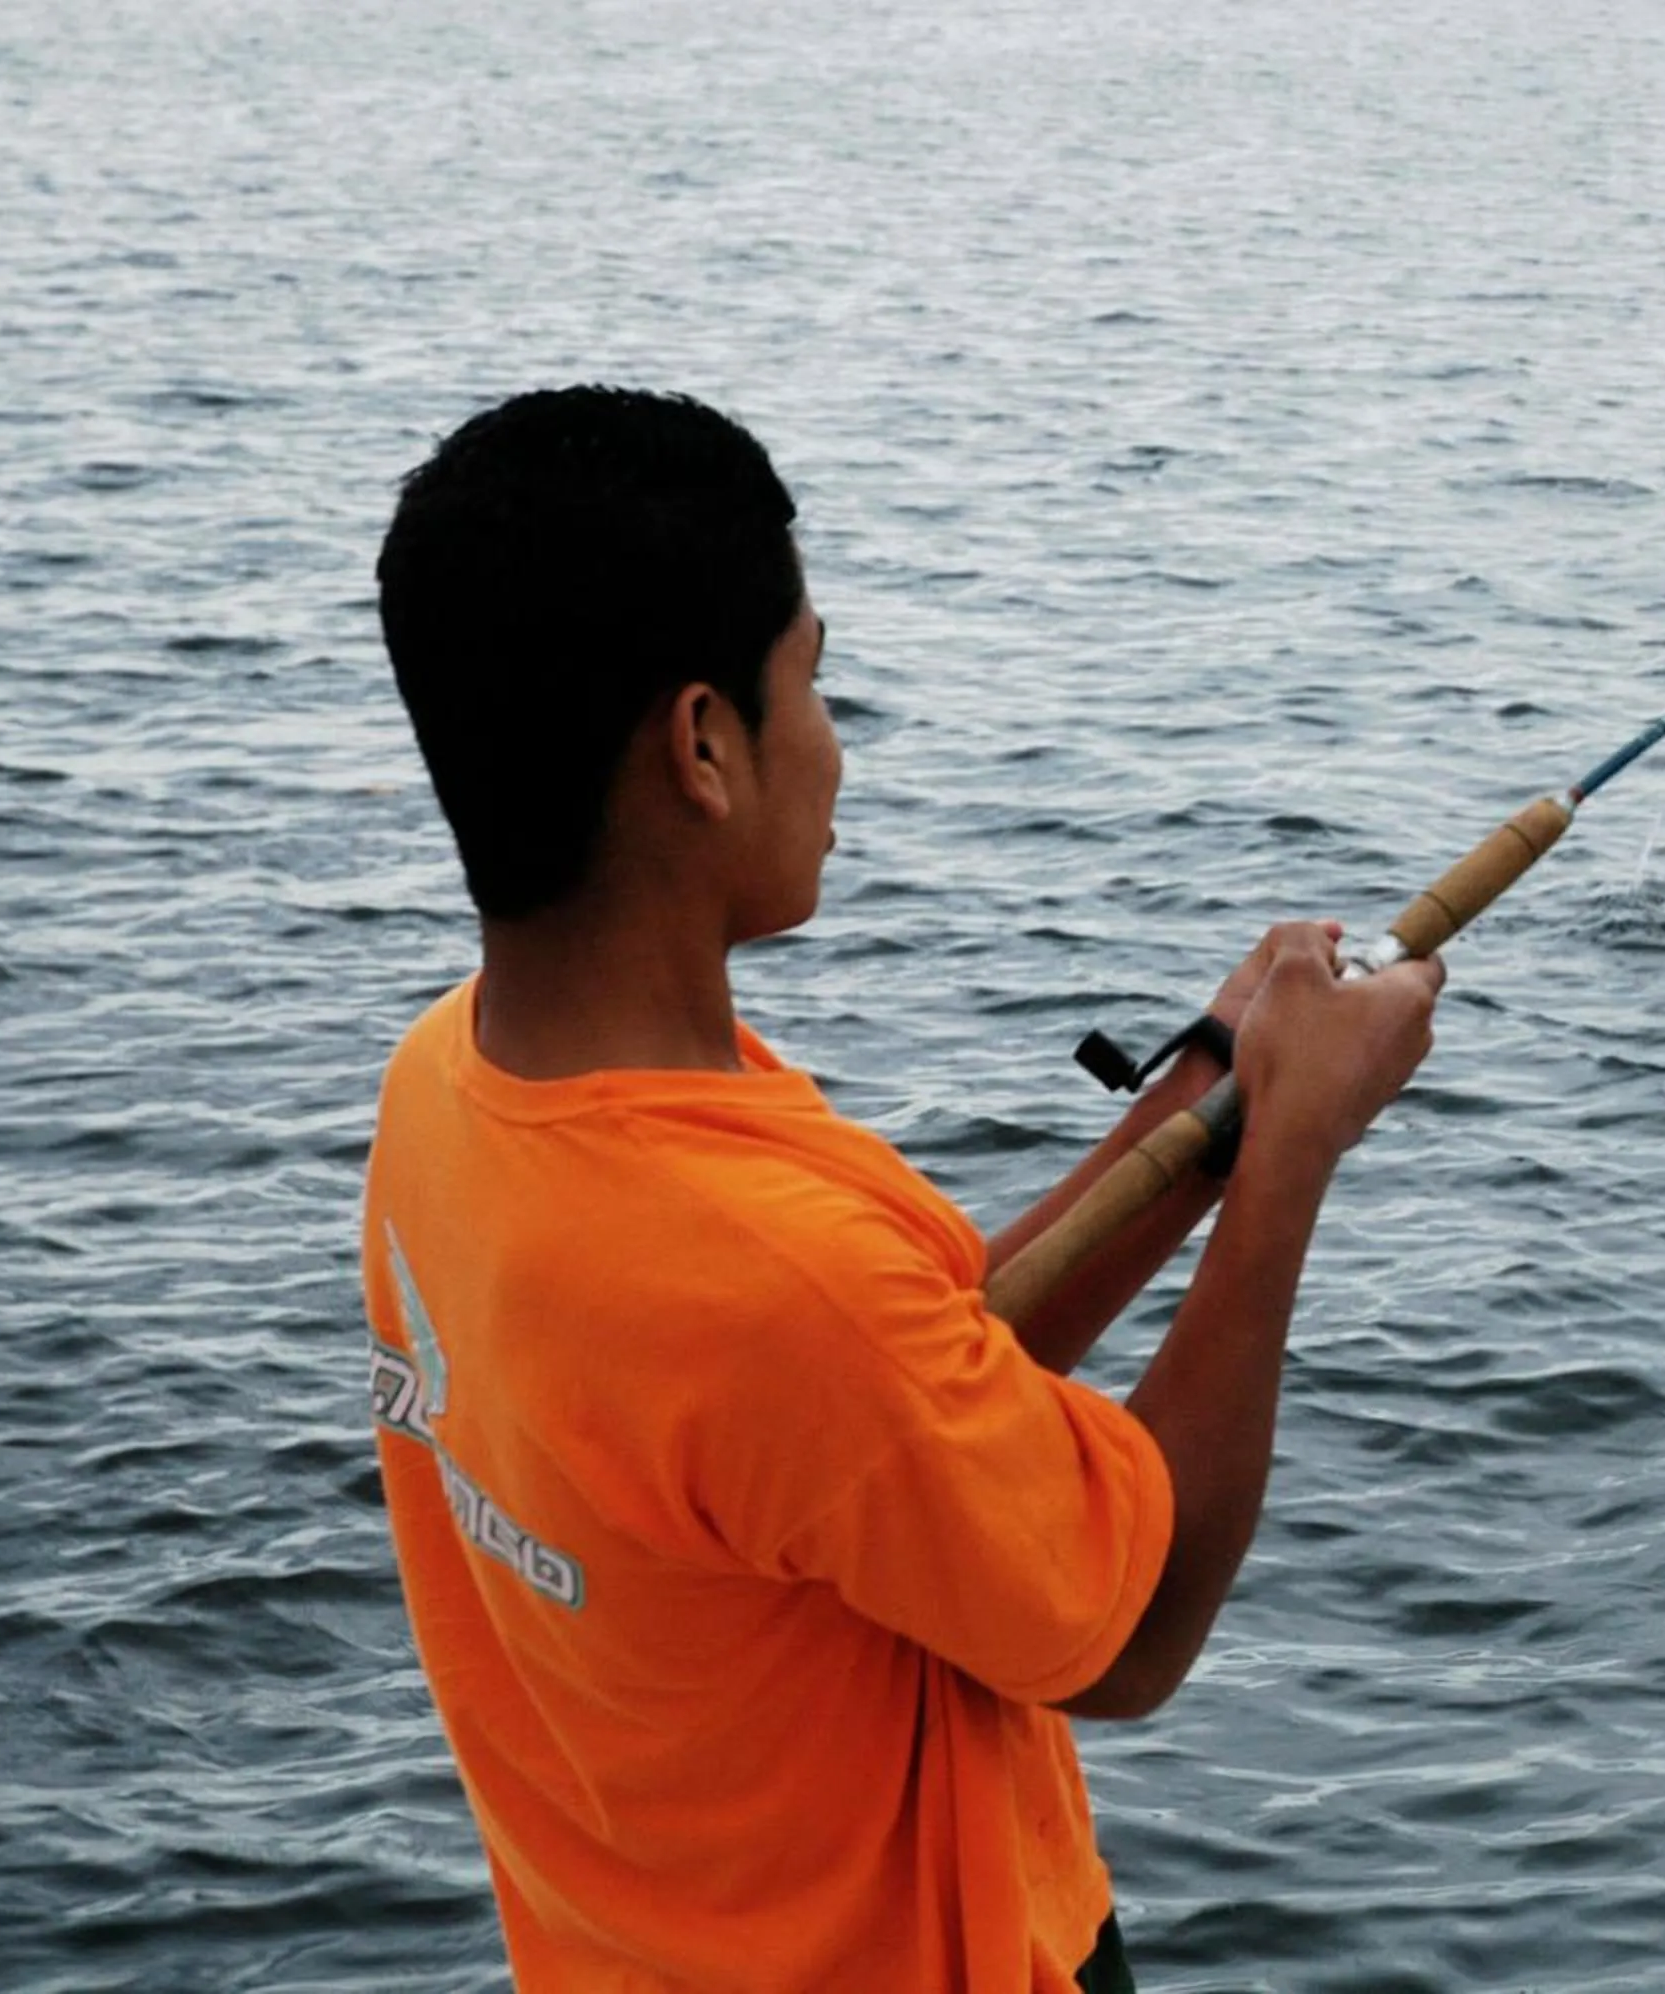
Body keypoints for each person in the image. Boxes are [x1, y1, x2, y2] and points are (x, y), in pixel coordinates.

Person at [360, 385, 1444, 1991]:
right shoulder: (761, 1272)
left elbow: (919, 1375)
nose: (836, 744)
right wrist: (1296, 1153)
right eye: (813, 677)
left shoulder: (450, 1094)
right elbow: (1132, 1631)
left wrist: (1213, 1088)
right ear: (705, 745)